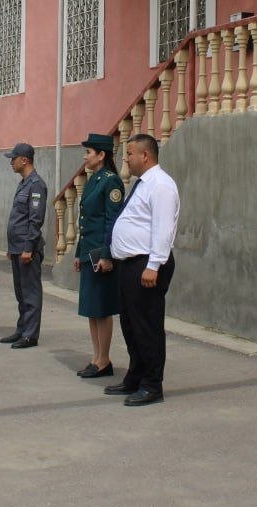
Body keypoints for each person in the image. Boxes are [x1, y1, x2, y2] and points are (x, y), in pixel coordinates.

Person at [105, 133, 179, 407]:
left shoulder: (161, 185)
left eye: (130, 154)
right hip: (131, 265)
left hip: (147, 265)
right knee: (130, 324)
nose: (126, 159)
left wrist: (153, 265)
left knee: (147, 326)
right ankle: (135, 376)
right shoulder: (142, 184)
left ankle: (152, 384)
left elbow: (163, 228)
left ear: (145, 155)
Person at [72, 133, 124, 378]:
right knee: (92, 309)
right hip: (88, 253)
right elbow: (85, 221)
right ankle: (96, 357)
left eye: (89, 152)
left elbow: (112, 222)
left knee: (102, 309)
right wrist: (78, 252)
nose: (85, 156)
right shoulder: (94, 180)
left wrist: (107, 255)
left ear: (101, 155)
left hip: (101, 255)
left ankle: (104, 360)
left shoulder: (111, 181)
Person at [0, 142, 48, 349]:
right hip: (17, 248)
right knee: (21, 292)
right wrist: (13, 248)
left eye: (13, 158)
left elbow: (35, 220)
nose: (11, 162)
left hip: (27, 248)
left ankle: (30, 335)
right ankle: (22, 329)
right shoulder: (23, 183)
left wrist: (28, 248)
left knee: (31, 292)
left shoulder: (36, 185)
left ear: (24, 160)